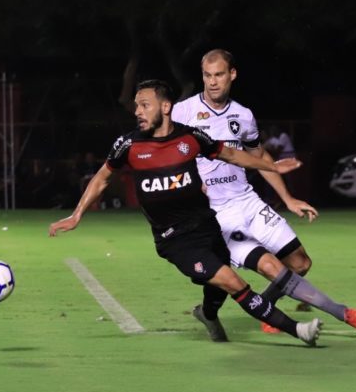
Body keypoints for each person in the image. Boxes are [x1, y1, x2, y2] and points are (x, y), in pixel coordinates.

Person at [49, 79, 323, 346]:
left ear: (165, 107)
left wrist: (272, 167)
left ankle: (207, 314)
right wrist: (76, 215)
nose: (138, 112)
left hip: (207, 226)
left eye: (144, 105)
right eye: (136, 106)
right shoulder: (128, 144)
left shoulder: (190, 137)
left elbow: (230, 154)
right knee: (233, 282)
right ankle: (298, 330)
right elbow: (102, 178)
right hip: (175, 239)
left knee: (218, 285)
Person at [171, 49, 356, 337]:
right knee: (269, 266)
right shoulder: (183, 112)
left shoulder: (243, 116)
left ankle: (265, 305)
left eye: (219, 75)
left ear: (232, 75)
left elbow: (260, 158)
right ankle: (343, 312)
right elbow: (168, 154)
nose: (213, 82)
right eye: (207, 75)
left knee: (300, 263)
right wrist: (189, 182)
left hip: (247, 200)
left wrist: (288, 198)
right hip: (216, 213)